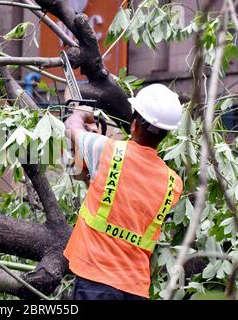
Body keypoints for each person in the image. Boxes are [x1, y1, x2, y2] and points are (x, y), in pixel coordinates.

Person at [64, 83, 184, 300]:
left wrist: (81, 113)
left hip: (95, 279)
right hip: (136, 287)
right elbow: (128, 200)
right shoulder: (173, 184)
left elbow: (71, 125)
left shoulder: (106, 150)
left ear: (134, 124)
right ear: (166, 134)